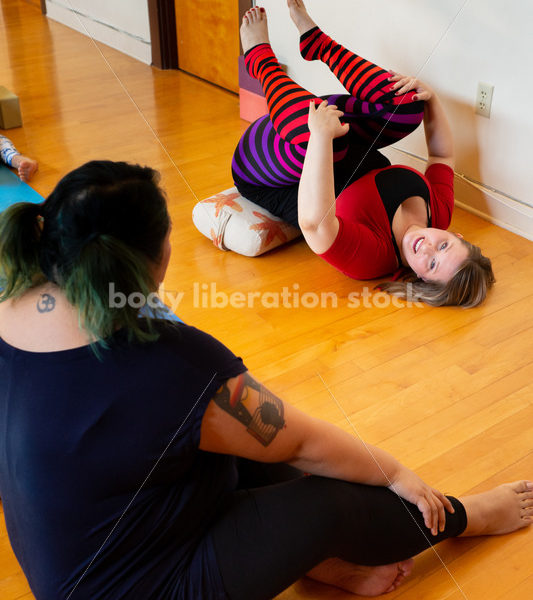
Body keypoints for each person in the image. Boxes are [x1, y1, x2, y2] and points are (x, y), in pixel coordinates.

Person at [0, 160, 531, 600]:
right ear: (151, 261)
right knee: (322, 499)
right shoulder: (172, 363)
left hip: (88, 556)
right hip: (135, 585)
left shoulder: (13, 299)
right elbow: (297, 441)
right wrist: (396, 472)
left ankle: (324, 564)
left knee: (228, 447)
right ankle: (468, 517)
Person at [232, 1, 495, 308]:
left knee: (333, 147)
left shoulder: (372, 258)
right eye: (444, 246)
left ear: (422, 281)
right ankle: (316, 41)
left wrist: (319, 138)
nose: (428, 249)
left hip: (271, 163)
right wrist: (431, 97)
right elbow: (442, 157)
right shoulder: (439, 211)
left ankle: (258, 58)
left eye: (432, 265)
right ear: (457, 235)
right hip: (332, 127)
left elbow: (314, 226)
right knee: (409, 103)